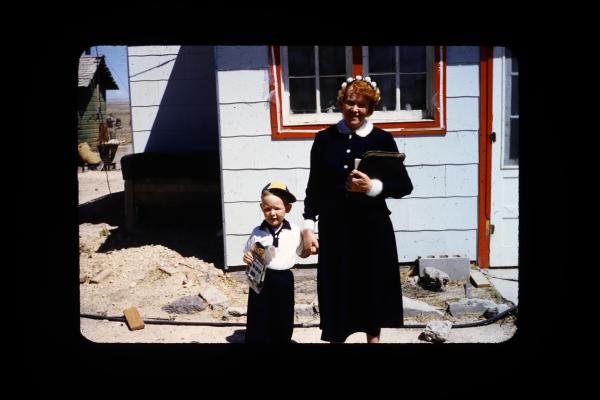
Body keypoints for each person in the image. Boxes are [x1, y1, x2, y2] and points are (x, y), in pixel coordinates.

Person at [302, 75, 413, 343]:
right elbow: (314, 188)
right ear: (341, 103)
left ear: (370, 109)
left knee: (371, 286)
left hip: (372, 228)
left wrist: (372, 187)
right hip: (335, 229)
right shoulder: (324, 139)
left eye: (362, 104)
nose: (355, 109)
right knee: (337, 288)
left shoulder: (383, 139)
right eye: (350, 102)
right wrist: (307, 228)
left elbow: (404, 185)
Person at [243, 181, 308, 344]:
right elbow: (248, 253)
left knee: (283, 315)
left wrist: (311, 248)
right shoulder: (257, 232)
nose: (272, 213)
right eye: (267, 209)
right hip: (261, 278)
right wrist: (247, 257)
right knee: (259, 314)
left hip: (284, 279)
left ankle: (282, 340)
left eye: (277, 208)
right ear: (261, 208)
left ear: (288, 208)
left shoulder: (294, 231)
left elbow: (302, 253)